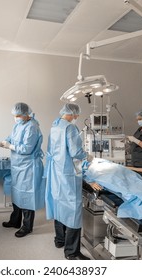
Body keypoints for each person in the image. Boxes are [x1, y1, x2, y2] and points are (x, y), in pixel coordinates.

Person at [45, 103, 93, 260]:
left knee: (59, 204)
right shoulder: (70, 128)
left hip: (56, 173)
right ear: (72, 113)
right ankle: (72, 252)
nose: (77, 117)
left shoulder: (55, 125)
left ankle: (60, 240)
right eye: (76, 115)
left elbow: (51, 150)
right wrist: (87, 156)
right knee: (73, 210)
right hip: (67, 175)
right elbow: (75, 151)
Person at [0, 102, 45, 238]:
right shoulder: (18, 125)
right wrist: (1, 143)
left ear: (26, 114)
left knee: (27, 195)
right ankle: (15, 221)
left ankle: (27, 226)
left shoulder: (32, 127)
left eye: (18, 115)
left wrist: (9, 146)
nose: (16, 118)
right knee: (16, 193)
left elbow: (26, 149)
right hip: (17, 165)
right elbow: (10, 139)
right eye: (15, 116)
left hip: (28, 167)